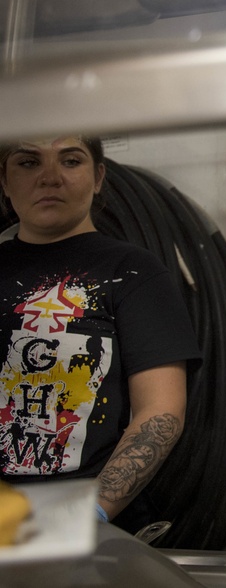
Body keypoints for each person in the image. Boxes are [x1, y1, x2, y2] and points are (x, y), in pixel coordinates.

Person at [0, 135, 201, 532]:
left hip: (94, 529)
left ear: (98, 177)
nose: (50, 178)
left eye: (71, 161)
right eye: (28, 163)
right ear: (4, 182)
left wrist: (91, 511)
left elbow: (160, 410)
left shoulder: (133, 272)